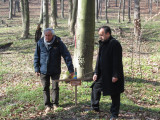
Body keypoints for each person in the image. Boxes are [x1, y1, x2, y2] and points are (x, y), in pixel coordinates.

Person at [34, 28, 74, 113]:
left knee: (55, 87)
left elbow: (66, 56)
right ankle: (47, 105)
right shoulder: (40, 43)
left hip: (55, 69)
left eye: (49, 35)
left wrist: (71, 69)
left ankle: (55, 104)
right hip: (43, 70)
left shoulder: (59, 43)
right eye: (46, 35)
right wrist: (36, 68)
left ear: (53, 35)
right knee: (45, 87)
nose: (47, 37)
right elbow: (36, 56)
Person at [91, 26, 124, 120]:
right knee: (95, 87)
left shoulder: (115, 44)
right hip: (102, 73)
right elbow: (98, 59)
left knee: (115, 94)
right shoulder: (102, 43)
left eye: (102, 35)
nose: (100, 37)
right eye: (99, 35)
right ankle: (95, 107)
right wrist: (96, 72)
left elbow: (117, 61)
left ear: (108, 34)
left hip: (113, 74)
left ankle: (114, 114)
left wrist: (116, 75)